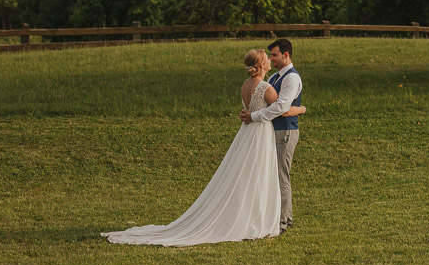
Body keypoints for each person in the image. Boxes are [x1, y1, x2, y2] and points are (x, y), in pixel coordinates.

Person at [102, 49, 305, 246]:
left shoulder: (245, 85)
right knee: (261, 174)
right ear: (261, 65)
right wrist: (302, 109)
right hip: (260, 133)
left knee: (246, 173)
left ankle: (251, 213)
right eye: (267, 59)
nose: (270, 61)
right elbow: (282, 109)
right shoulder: (265, 87)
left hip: (246, 133)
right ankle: (257, 218)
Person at [240, 37, 302, 234]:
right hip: (269, 131)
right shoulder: (273, 79)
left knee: (281, 176)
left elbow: (282, 108)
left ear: (286, 54)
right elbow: (277, 106)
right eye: (270, 56)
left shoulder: (291, 77)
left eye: (275, 55)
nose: (272, 59)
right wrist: (301, 109)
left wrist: (254, 116)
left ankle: (283, 221)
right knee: (275, 175)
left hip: (285, 131)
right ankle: (286, 216)